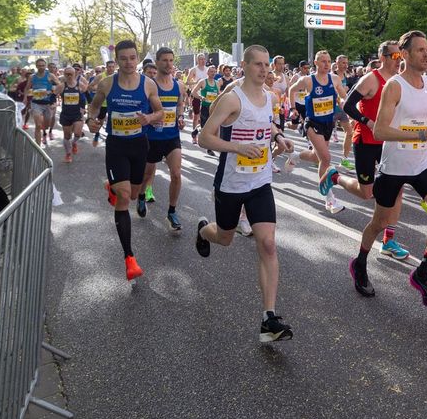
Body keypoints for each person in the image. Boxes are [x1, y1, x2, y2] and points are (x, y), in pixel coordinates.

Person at [349, 30, 427, 309]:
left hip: (420, 163)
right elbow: (382, 130)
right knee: (379, 223)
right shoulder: (394, 86)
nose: (426, 54)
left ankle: (422, 274)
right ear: (405, 55)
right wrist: (420, 136)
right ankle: (359, 263)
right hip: (394, 166)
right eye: (420, 50)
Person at [195, 45, 295, 342]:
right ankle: (203, 232)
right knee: (225, 238)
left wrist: (279, 136)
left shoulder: (271, 97)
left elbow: (267, 123)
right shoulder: (231, 99)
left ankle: (269, 318)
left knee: (267, 244)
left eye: (267, 65)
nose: (264, 70)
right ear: (245, 65)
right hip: (231, 183)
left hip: (260, 182)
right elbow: (204, 137)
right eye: (258, 65)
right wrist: (238, 147)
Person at [85, 40, 164, 282]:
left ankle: (114, 187)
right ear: (116, 60)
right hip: (117, 146)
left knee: (132, 194)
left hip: (139, 145)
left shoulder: (148, 84)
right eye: (123, 58)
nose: (128, 63)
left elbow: (160, 112)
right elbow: (94, 108)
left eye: (132, 58)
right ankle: (129, 257)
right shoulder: (107, 83)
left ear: (137, 58)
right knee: (124, 195)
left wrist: (149, 118)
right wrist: (91, 121)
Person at [324, 41, 411, 259]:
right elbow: (348, 106)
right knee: (367, 193)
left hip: (388, 143)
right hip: (366, 141)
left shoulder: (400, 80)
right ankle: (335, 177)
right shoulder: (371, 79)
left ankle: (388, 240)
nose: (399, 59)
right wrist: (368, 122)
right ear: (383, 57)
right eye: (394, 56)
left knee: (398, 189)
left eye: (400, 55)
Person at [286, 50, 348, 213]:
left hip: (328, 123)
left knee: (316, 156)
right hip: (313, 123)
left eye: (328, 61)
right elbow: (291, 90)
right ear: (315, 63)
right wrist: (293, 108)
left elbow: (344, 96)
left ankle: (296, 156)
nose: (326, 64)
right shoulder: (307, 80)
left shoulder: (334, 79)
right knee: (326, 158)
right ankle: (329, 199)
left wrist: (343, 103)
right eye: (322, 61)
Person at [142, 47, 184, 231]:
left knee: (176, 173)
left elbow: (180, 104)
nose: (168, 64)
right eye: (164, 60)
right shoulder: (149, 85)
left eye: (171, 60)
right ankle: (142, 195)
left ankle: (172, 211)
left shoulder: (178, 85)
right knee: (147, 173)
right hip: (152, 137)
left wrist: (180, 116)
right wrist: (150, 118)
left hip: (172, 136)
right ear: (157, 62)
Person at [55, 66, 88, 164]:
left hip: (77, 114)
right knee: (67, 136)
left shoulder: (81, 85)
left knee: (77, 133)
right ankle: (68, 153)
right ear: (64, 75)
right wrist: (52, 103)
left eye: (71, 74)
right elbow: (53, 95)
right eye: (67, 74)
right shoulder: (61, 86)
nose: (69, 76)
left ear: (75, 74)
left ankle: (74, 143)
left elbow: (88, 97)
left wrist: (87, 107)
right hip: (66, 115)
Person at [25, 58, 59, 146]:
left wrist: (52, 91)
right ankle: (38, 147)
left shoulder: (50, 75)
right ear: (36, 66)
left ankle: (45, 132)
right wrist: (25, 98)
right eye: (39, 66)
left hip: (48, 104)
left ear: (45, 66)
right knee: (38, 126)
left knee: (46, 125)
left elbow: (59, 86)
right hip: (36, 103)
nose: (41, 67)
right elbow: (27, 88)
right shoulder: (32, 77)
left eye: (43, 65)